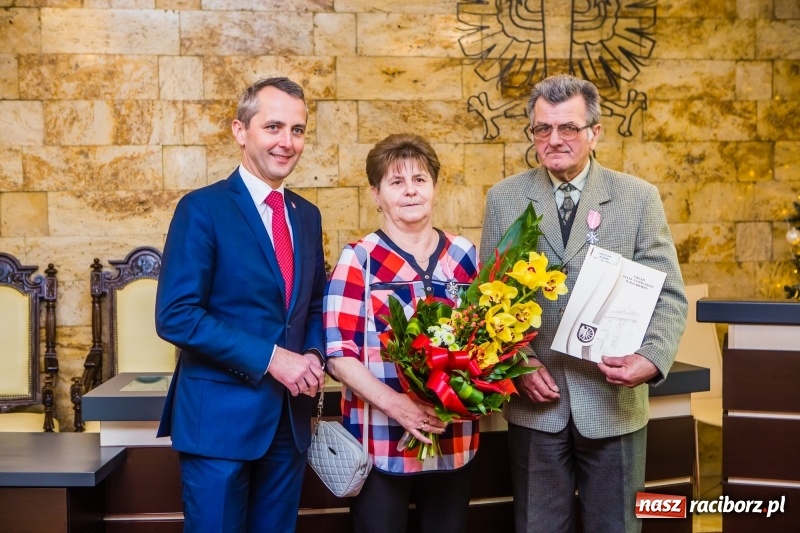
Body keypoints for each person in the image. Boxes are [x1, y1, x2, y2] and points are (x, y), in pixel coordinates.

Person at [480, 74, 688, 533]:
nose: (555, 139)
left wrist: (651, 359)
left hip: (614, 400)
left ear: (595, 132)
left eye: (569, 127)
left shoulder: (638, 198)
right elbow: (489, 297)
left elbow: (669, 293)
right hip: (537, 401)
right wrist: (520, 363)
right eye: (542, 129)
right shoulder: (504, 198)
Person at [155, 77, 327, 532]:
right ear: (240, 131)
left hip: (289, 424)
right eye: (273, 127)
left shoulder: (306, 216)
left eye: (298, 130)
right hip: (218, 424)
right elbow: (176, 315)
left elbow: (311, 307)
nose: (286, 142)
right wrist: (273, 359)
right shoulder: (202, 209)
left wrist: (311, 356)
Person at [324, 133, 479, 533]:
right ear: (376, 194)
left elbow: (485, 343)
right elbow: (339, 355)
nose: (410, 191)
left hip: (452, 441)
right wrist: (400, 407)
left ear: (435, 187)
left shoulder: (464, 255)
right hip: (380, 445)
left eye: (420, 180)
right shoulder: (359, 258)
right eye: (396, 182)